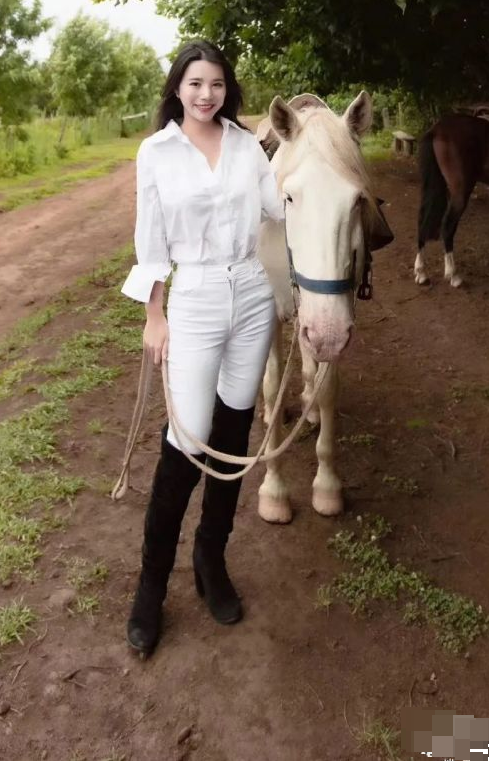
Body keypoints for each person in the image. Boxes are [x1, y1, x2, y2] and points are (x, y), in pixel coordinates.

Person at [121, 39, 284, 657]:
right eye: (195, 84)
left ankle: (210, 560)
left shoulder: (247, 147)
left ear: (228, 88)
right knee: (186, 442)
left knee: (235, 434)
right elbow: (150, 241)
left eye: (216, 84)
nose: (206, 95)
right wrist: (155, 315)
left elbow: (277, 209)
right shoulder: (157, 152)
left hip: (250, 295)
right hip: (193, 301)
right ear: (178, 88)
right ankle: (150, 587)